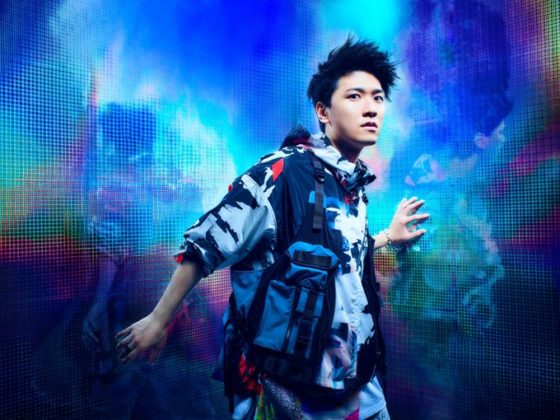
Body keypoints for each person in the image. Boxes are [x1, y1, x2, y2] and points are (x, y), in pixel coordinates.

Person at [116, 38, 429, 419]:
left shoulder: (351, 184)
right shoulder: (282, 172)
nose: (370, 108)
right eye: (355, 96)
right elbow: (206, 243)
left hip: (356, 383)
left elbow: (339, 254)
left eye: (378, 98)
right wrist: (158, 319)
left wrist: (386, 238)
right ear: (323, 111)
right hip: (288, 389)